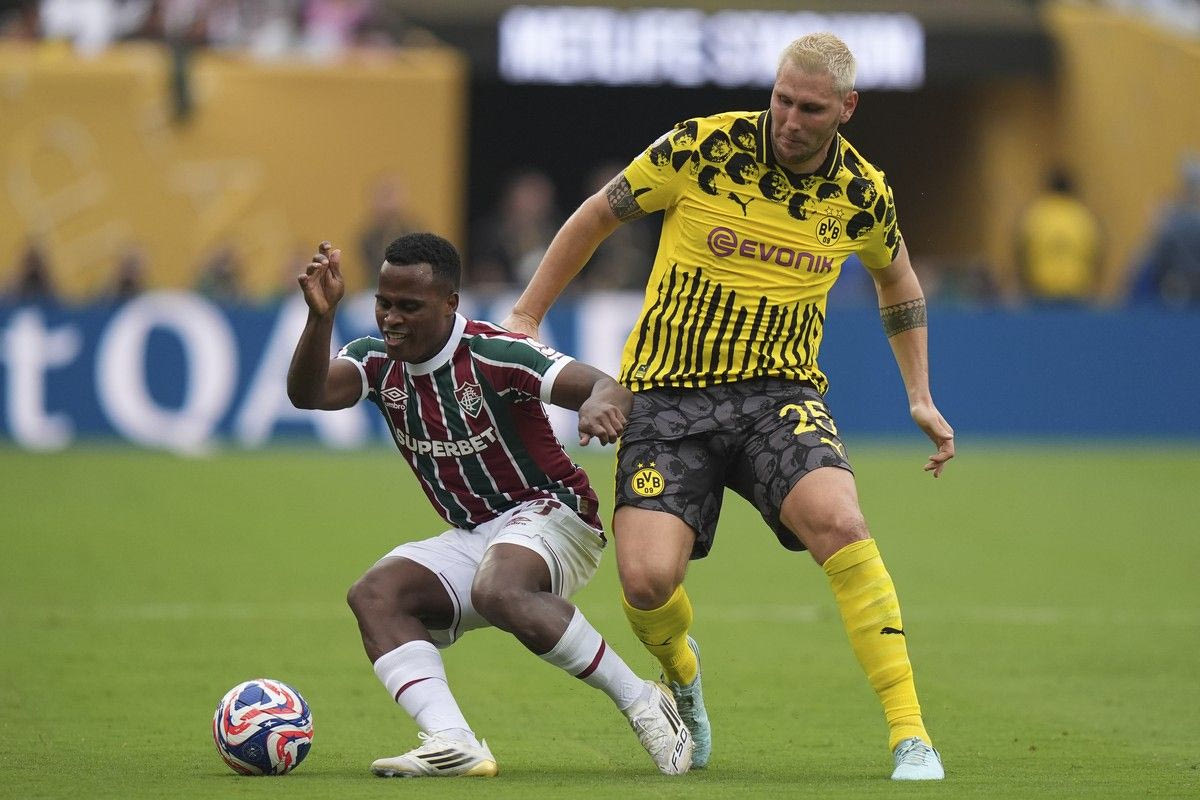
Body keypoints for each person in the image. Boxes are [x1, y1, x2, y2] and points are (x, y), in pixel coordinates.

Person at [502, 33, 953, 781]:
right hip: (667, 395)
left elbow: (898, 280)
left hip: (779, 395)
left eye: (811, 109)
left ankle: (911, 734)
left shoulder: (862, 192)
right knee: (646, 583)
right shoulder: (702, 148)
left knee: (841, 523)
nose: (791, 120)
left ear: (846, 108)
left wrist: (920, 394)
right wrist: (525, 315)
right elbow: (596, 216)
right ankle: (683, 676)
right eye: (782, 99)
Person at [287, 232, 693, 778]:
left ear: (450, 303)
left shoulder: (494, 352)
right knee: (375, 595)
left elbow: (605, 385)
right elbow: (308, 393)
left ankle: (643, 701)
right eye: (384, 303)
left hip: (557, 512)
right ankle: (452, 740)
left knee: (498, 587)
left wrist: (599, 406)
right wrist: (321, 318)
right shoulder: (375, 359)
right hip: (478, 533)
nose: (391, 319)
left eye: (409, 306)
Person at [1016, 167, 1101, 305]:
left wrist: (1024, 285)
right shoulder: (1084, 217)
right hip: (1076, 292)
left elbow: (1021, 252)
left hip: (1041, 291)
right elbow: (1097, 254)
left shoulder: (1035, 215)